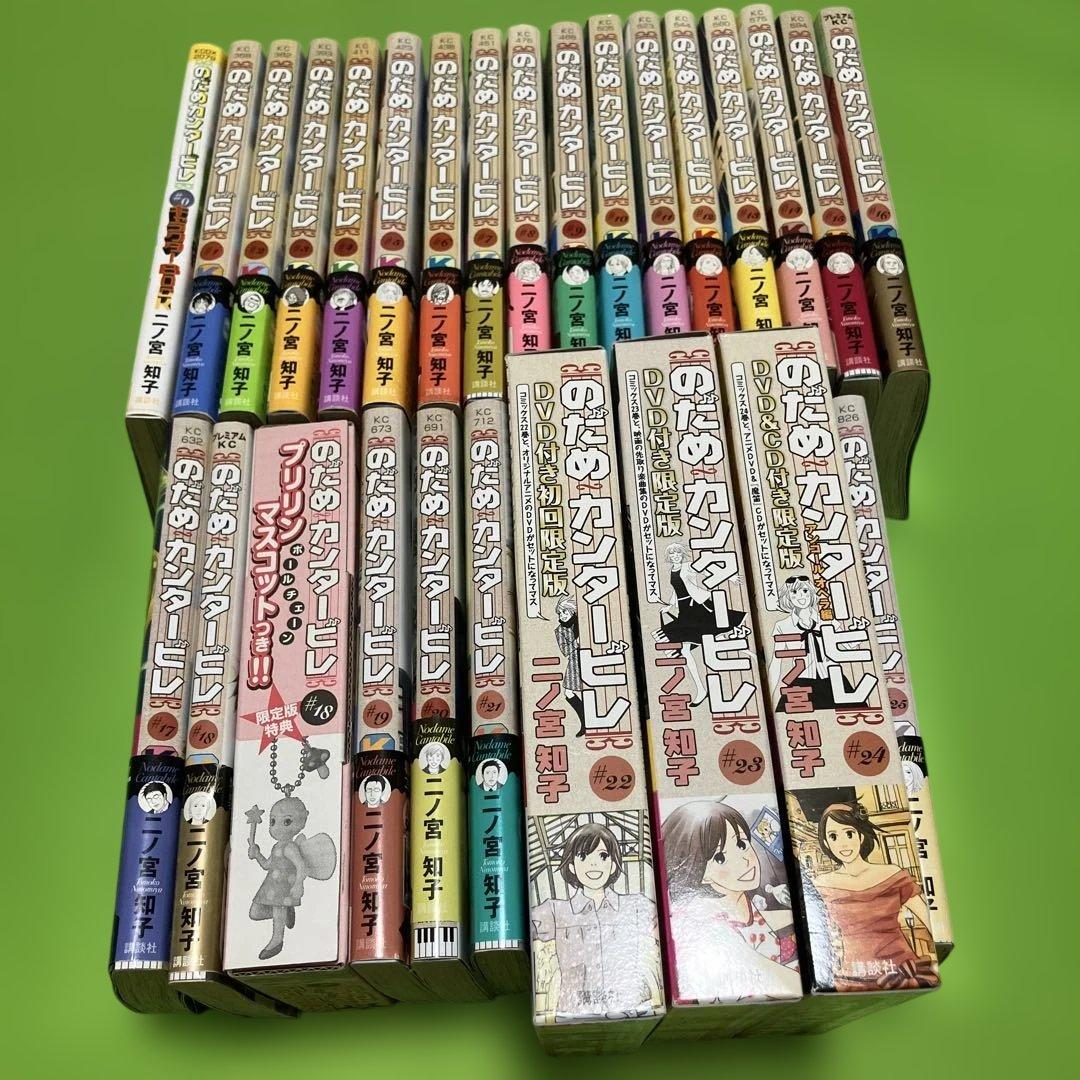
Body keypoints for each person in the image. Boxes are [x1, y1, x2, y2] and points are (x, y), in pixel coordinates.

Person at [662, 801, 800, 1001]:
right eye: (720, 858)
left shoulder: (739, 900)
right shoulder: (705, 923)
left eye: (742, 844)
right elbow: (787, 984)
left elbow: (757, 924)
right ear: (699, 871)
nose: (745, 860)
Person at [531, 822, 662, 1020]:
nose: (593, 864)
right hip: (574, 1012)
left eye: (603, 856)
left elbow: (670, 932)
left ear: (613, 864)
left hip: (631, 1009)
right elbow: (523, 928)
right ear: (572, 866)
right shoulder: (556, 910)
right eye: (583, 856)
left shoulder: (635, 905)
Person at [812, 801, 936, 990]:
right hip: (854, 975)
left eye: (849, 833)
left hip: (901, 971)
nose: (843, 843)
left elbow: (929, 920)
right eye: (833, 836)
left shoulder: (892, 874)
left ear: (861, 836)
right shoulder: (821, 884)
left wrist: (936, 958)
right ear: (827, 843)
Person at [654, 543, 746, 705]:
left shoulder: (688, 566)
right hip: (684, 610)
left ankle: (735, 649)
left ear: (682, 554)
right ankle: (701, 689)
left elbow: (708, 568)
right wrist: (669, 606)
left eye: (678, 553)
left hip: (697, 605)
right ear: (669, 556)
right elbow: (677, 591)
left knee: (722, 626)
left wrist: (729, 576)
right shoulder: (672, 570)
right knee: (685, 649)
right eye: (672, 553)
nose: (675, 556)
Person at [247, 796, 336, 960]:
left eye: (286, 821)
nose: (277, 827)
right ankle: (285, 913)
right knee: (255, 912)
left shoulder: (290, 847)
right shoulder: (276, 846)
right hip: (270, 886)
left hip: (284, 888)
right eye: (273, 821)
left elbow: (301, 867)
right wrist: (257, 854)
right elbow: (267, 865)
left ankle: (277, 940)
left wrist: (298, 885)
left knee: (277, 911)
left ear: (301, 823)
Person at [769, 575, 870, 712]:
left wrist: (859, 631)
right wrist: (770, 692)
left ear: (811, 593)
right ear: (788, 596)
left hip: (833, 679)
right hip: (802, 681)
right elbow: (776, 661)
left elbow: (847, 646)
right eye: (794, 592)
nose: (801, 596)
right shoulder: (782, 625)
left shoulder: (826, 619)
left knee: (857, 714)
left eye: (805, 591)